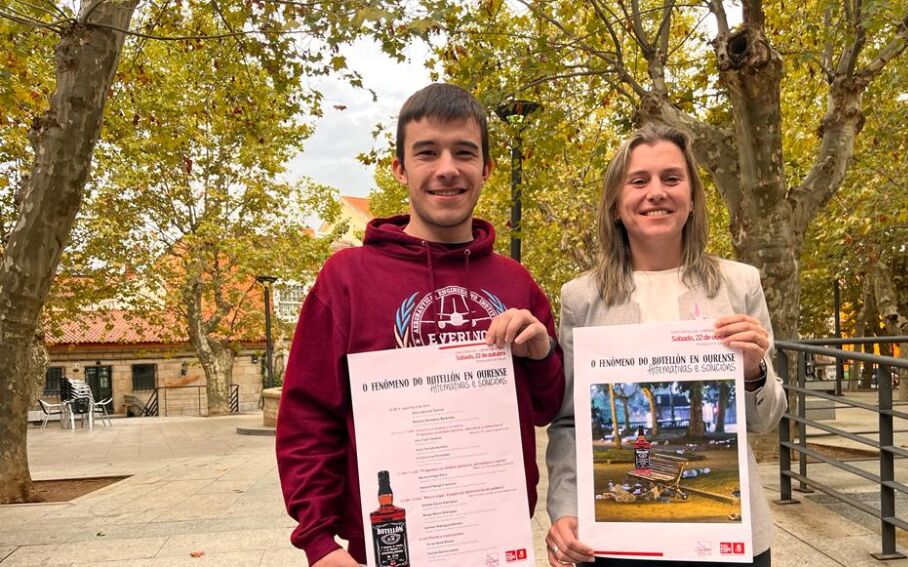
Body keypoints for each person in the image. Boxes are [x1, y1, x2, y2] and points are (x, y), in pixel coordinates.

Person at [276, 83, 565, 567]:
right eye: (427, 152)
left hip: (496, 544)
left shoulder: (516, 282)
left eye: (464, 152)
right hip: (385, 549)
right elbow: (308, 418)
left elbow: (547, 408)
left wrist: (542, 354)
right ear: (400, 169)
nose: (447, 168)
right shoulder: (346, 279)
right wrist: (319, 544)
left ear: (486, 169)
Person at [545, 125, 787, 566]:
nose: (656, 192)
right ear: (615, 204)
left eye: (672, 178)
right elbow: (569, 423)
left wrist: (755, 372)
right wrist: (564, 508)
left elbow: (766, 420)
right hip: (614, 545)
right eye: (638, 181)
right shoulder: (580, 298)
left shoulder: (740, 284)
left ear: (692, 199)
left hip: (728, 543)